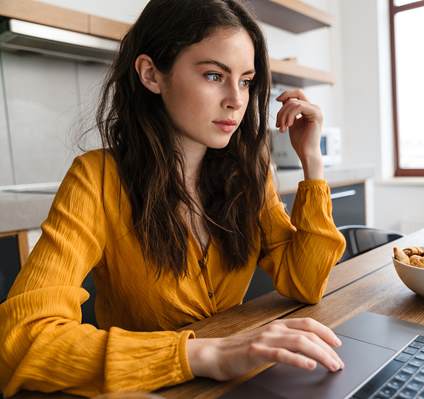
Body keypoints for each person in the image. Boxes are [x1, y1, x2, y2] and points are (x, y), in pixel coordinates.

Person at [0, 0, 346, 396]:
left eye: (247, 81)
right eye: (215, 75)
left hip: (242, 382)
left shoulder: (249, 174)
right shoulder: (95, 179)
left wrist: (312, 163)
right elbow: (20, 340)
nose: (236, 99)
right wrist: (203, 355)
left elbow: (306, 282)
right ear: (151, 74)